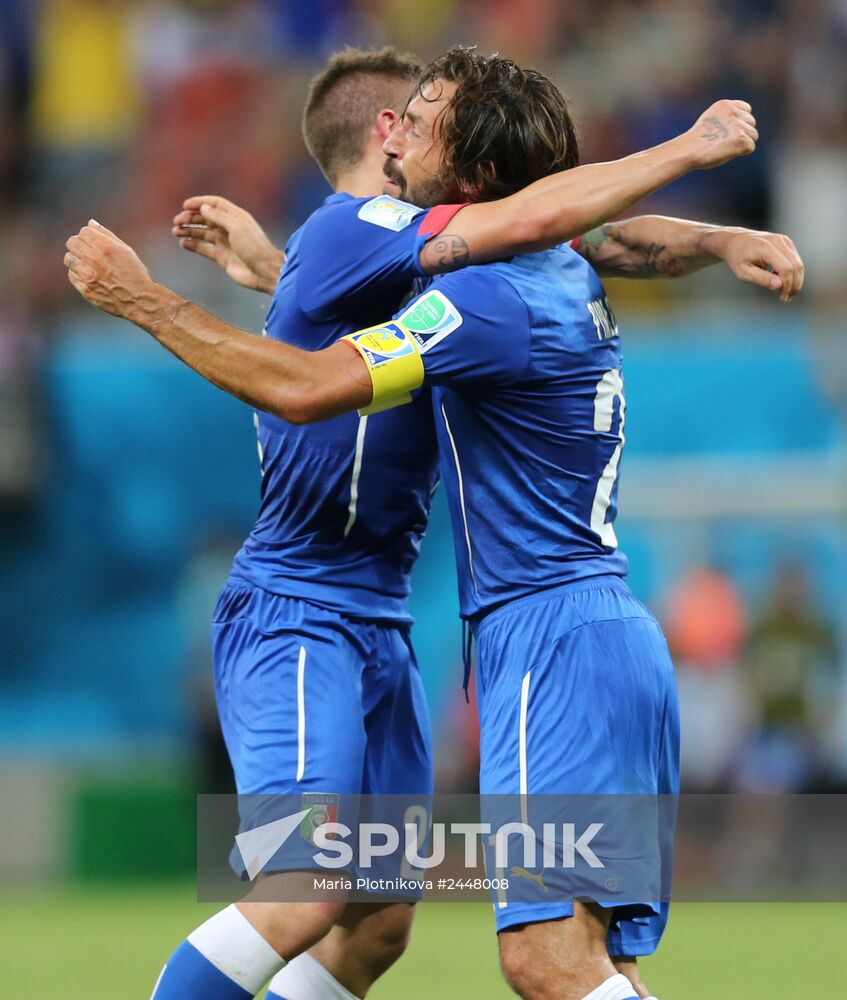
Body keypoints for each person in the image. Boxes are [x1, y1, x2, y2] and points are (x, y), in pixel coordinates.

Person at [65, 47, 803, 1000]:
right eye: (403, 113)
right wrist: (710, 240)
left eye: (425, 118)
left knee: (536, 961)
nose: (405, 128)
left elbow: (320, 378)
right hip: (358, 619)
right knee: (378, 923)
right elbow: (574, 237)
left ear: (471, 175)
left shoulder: (486, 288)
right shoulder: (494, 267)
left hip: (540, 638)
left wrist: (142, 298)